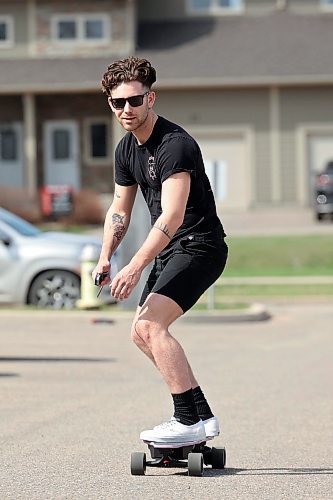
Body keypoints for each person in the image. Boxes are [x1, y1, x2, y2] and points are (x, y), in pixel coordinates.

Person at [93, 56, 228, 444]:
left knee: (151, 325)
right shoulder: (126, 151)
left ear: (150, 99)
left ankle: (186, 419)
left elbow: (170, 216)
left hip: (199, 246)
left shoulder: (175, 146)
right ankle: (202, 415)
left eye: (134, 101)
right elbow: (119, 210)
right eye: (118, 103)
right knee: (140, 332)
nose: (126, 110)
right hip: (172, 249)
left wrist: (134, 266)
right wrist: (106, 256)